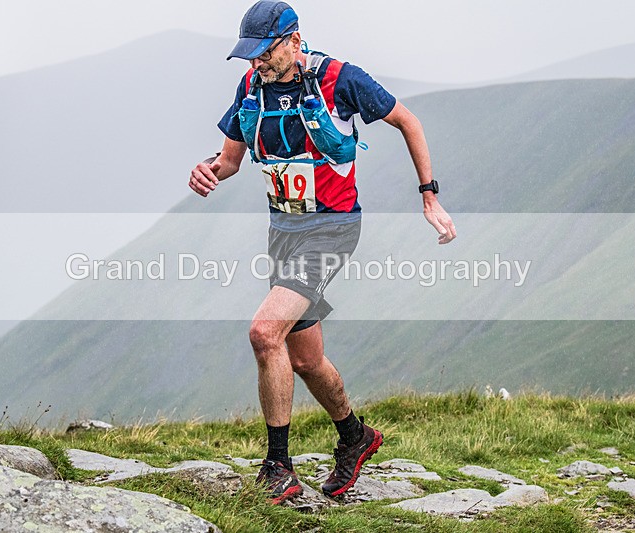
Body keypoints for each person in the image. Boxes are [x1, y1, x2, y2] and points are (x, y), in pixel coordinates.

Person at [188, 0, 456, 504]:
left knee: (265, 333)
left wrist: (430, 195)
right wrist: (208, 170)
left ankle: (278, 467)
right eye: (249, 56)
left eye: (263, 53)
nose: (256, 65)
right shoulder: (251, 87)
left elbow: (409, 121)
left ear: (293, 40)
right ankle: (355, 437)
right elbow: (229, 161)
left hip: (332, 229)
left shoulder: (340, 78)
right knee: (306, 359)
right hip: (284, 230)